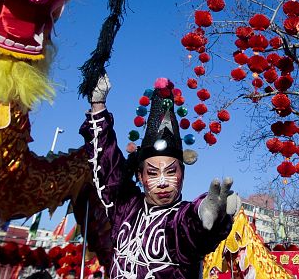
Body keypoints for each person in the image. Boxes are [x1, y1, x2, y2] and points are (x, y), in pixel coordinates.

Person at [80, 75, 240, 279]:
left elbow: (189, 227)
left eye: (171, 171)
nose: (163, 182)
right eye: (153, 173)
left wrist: (206, 215)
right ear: (140, 176)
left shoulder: (177, 220)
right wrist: (98, 105)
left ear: (183, 173)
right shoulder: (126, 208)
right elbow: (107, 165)